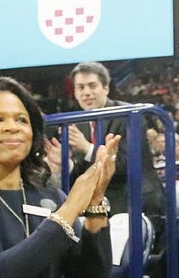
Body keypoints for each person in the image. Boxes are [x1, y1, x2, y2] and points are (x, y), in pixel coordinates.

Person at [0, 76, 120, 278]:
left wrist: (95, 205)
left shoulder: (48, 193)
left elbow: (89, 274)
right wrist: (68, 211)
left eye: (21, 120)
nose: (12, 127)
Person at [45, 61, 164, 217]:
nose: (86, 92)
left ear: (106, 88)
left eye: (92, 86)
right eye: (80, 87)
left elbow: (127, 166)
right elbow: (84, 172)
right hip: (98, 203)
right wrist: (67, 163)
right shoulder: (79, 124)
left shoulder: (129, 115)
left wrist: (87, 148)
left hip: (134, 200)